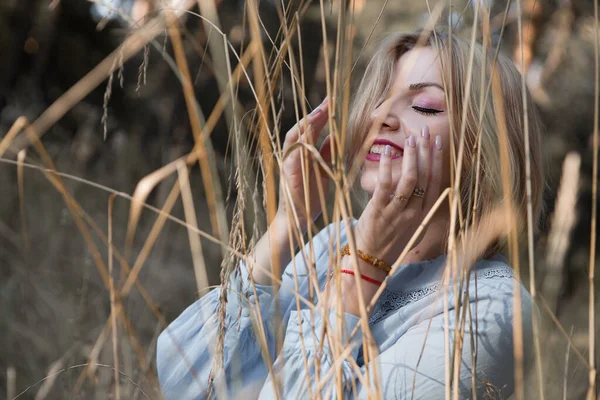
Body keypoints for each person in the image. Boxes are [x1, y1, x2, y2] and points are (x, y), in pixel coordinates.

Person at [156, 28, 544, 399]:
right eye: (379, 98)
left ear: (485, 150)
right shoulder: (335, 241)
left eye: (425, 106)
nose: (380, 116)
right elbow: (186, 383)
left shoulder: (494, 308)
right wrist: (289, 223)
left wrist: (363, 268)